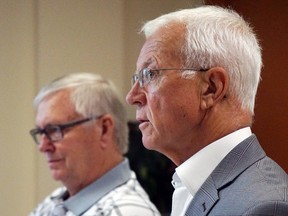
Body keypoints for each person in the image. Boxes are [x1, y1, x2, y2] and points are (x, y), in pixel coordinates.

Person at [126, 5, 288, 216]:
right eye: (137, 77)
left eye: (150, 74)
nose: (132, 97)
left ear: (211, 88)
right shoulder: (191, 184)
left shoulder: (263, 207)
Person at [29, 73, 160, 216]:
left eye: (54, 130)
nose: (42, 146)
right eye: (41, 132)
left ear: (104, 129)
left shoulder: (126, 212)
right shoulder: (57, 200)